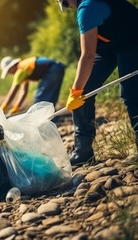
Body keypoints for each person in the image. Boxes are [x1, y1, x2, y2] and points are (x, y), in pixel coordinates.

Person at [56, 0, 138, 165]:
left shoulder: (87, 8)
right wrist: (78, 91)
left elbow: (88, 56)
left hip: (132, 41)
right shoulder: (85, 8)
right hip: (109, 46)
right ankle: (83, 150)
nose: (69, 7)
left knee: (131, 94)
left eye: (65, 2)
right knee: (83, 90)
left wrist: (76, 91)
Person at [0, 56, 66, 116]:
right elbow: (23, 91)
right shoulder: (24, 66)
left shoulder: (20, 70)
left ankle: (45, 120)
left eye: (9, 71)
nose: (10, 73)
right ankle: (51, 119)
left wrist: (3, 107)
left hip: (52, 70)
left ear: (12, 66)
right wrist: (17, 106)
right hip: (58, 68)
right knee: (50, 98)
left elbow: (13, 91)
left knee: (39, 97)